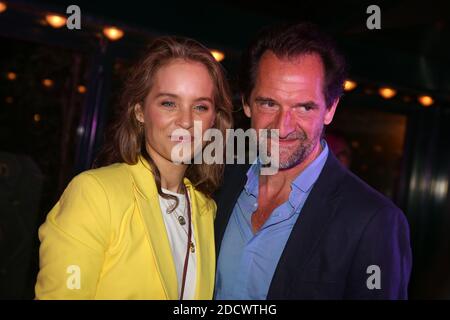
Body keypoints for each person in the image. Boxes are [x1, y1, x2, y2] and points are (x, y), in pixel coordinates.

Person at [214, 23, 412, 299]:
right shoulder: (217, 182)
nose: (283, 128)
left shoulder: (373, 222)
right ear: (247, 103)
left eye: (304, 107)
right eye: (269, 104)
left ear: (330, 109)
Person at [35, 36, 233, 299]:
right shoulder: (95, 194)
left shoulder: (206, 208)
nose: (186, 121)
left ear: (213, 120)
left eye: (200, 106)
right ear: (139, 112)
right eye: (168, 103)